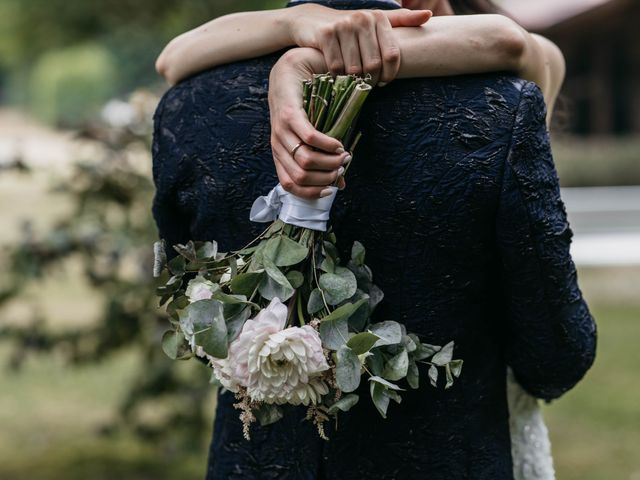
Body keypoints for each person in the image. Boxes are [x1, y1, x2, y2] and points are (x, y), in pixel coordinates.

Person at [151, 0, 597, 478]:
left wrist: (296, 60)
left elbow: (199, 309)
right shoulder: (502, 104)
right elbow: (555, 350)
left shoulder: (185, 105)